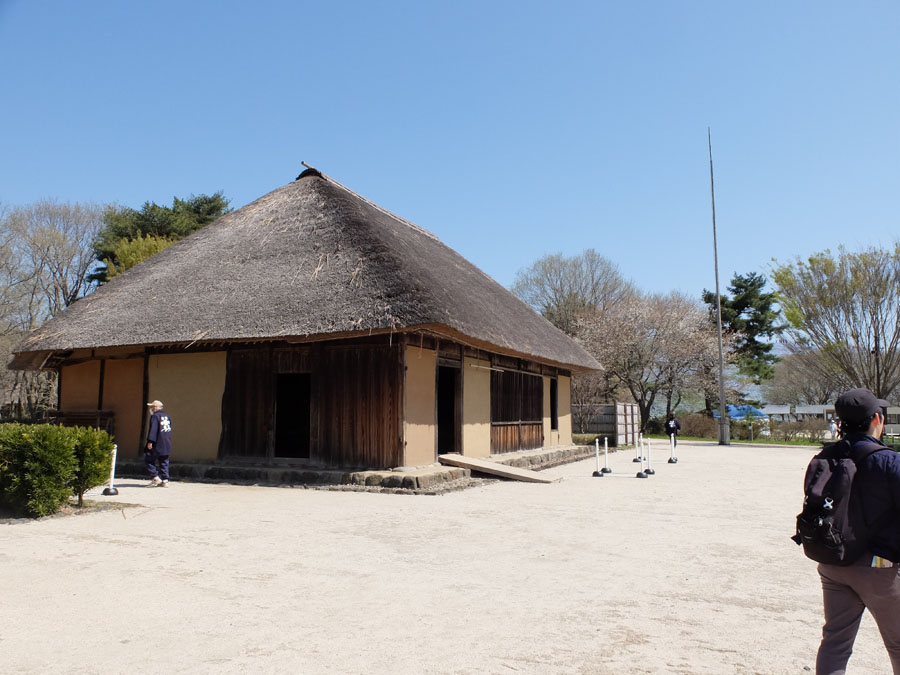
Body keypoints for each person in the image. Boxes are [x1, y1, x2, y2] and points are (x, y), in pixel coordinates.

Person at [815, 387, 900, 674]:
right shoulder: (889, 460)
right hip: (879, 566)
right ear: (877, 418)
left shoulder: (824, 457)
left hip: (833, 560)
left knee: (835, 643)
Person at [145, 400, 173, 487]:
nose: (152, 408)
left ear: (156, 407)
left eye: (153, 407)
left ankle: (155, 477)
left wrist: (150, 441)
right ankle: (165, 480)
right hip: (167, 442)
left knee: (149, 459)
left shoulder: (155, 416)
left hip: (157, 442)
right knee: (164, 461)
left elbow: (153, 430)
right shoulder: (167, 416)